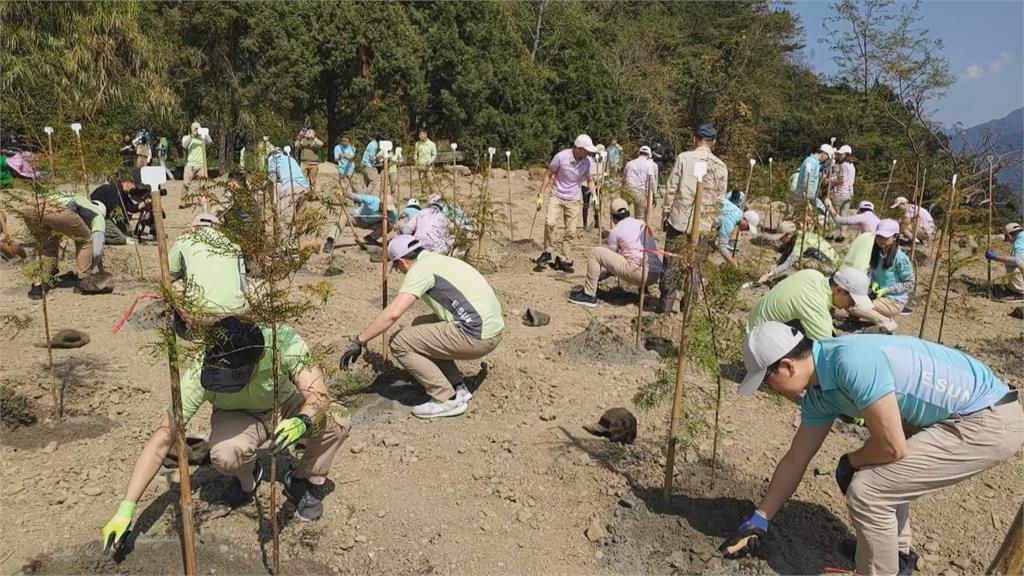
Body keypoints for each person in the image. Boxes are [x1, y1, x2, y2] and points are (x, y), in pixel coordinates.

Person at [724, 321, 1023, 576]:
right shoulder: (820, 389)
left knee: (868, 490)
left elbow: (893, 448)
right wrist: (760, 517)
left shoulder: (850, 362)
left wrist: (851, 461)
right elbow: (795, 459)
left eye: (766, 380)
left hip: (987, 419)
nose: (768, 389)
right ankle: (895, 555)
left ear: (788, 367)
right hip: (954, 415)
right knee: (875, 469)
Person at [100, 317, 348, 551]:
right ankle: (248, 478)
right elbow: (164, 437)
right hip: (237, 416)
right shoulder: (199, 372)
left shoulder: (282, 340)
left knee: (339, 418)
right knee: (225, 454)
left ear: (259, 357)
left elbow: (319, 395)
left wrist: (301, 421)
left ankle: (302, 481)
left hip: (284, 405)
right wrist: (126, 508)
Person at [339, 235, 504, 419]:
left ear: (402, 261)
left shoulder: (420, 270)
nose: (399, 271)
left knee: (399, 342)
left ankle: (447, 398)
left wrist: (360, 340)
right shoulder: (438, 260)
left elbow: (393, 313)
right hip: (491, 329)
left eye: (397, 266)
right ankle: (457, 386)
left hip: (476, 335)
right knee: (421, 325)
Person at [658, 124, 728, 314]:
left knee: (671, 264)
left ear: (694, 139)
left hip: (679, 221)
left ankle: (665, 307)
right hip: (704, 225)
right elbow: (720, 201)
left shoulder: (684, 158)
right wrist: (713, 225)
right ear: (713, 143)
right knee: (695, 266)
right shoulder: (721, 167)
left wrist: (665, 213)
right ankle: (689, 307)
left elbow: (671, 188)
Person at [569, 198, 662, 308]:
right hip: (656, 273)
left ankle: (589, 294)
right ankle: (644, 291)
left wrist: (600, 275)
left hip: (638, 274)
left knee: (596, 252)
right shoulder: (642, 223)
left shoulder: (616, 231)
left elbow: (610, 260)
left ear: (612, 217)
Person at [746, 267, 873, 341]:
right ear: (839, 290)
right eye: (852, 300)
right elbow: (827, 347)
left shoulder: (813, 274)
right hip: (759, 344)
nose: (851, 306)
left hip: (755, 329)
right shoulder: (815, 303)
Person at [23, 190, 106, 299]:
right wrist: (87, 268)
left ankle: (37, 287)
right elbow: (97, 251)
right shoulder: (98, 215)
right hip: (56, 208)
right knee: (84, 239)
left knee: (47, 245)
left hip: (30, 207)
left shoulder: (78, 198)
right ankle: (84, 283)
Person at [535, 134, 598, 273]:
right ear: (578, 148)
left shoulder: (587, 162)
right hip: (556, 195)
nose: (588, 153)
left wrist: (594, 196)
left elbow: (590, 180)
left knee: (571, 231)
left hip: (574, 199)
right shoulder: (561, 157)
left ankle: (562, 259)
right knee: (550, 223)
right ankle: (547, 251)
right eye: (586, 150)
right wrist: (541, 194)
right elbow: (549, 174)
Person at [169, 213, 247, 318]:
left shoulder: (184, 240)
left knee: (174, 285)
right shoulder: (234, 246)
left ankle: (182, 329)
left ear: (194, 228)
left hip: (199, 311)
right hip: (235, 310)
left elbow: (170, 273)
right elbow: (243, 284)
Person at [846, 219, 914, 332]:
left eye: (885, 237)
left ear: (895, 237)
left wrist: (886, 290)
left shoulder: (900, 258)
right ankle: (871, 321)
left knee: (855, 306)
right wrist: (874, 282)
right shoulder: (877, 252)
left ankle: (886, 322)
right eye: (879, 236)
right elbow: (872, 272)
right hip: (878, 296)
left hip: (893, 301)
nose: (881, 240)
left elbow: (910, 283)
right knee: (847, 300)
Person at [757, 221, 839, 284]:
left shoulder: (800, 242)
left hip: (831, 265)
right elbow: (787, 253)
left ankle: (825, 278)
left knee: (799, 262)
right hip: (822, 260)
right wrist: (776, 264)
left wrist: (769, 275)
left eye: (781, 238)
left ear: (788, 235)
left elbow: (789, 262)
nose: (779, 240)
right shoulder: (795, 237)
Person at [266, 147, 310, 235]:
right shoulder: (290, 158)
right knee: (296, 220)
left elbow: (272, 178)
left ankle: (283, 247)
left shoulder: (273, 159)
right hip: (304, 188)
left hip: (291, 189)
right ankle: (294, 246)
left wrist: (274, 198)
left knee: (284, 221)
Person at [90, 172, 141, 246]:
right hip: (100, 214)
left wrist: (141, 206)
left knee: (123, 231)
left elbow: (130, 208)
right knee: (120, 238)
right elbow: (117, 213)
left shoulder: (122, 192)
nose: (132, 190)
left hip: (106, 214)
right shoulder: (115, 190)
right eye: (132, 187)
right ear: (128, 183)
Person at [985, 222, 1024, 299]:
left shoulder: (1018, 243)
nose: (1006, 241)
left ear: (1009, 236)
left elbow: (1017, 261)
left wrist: (995, 257)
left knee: (1011, 264)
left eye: (1006, 237)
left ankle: (1019, 293)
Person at [180, 122, 212, 209]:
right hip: (190, 165)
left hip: (201, 165)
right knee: (186, 184)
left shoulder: (202, 138)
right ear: (191, 129)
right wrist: (192, 136)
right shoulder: (186, 137)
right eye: (195, 128)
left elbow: (210, 141)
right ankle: (183, 200)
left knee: (202, 184)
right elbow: (184, 145)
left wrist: (205, 133)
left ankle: (201, 199)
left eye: (198, 128)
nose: (196, 129)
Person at [718, 199, 759, 266]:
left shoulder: (737, 210)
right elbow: (722, 246)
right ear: (745, 220)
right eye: (748, 227)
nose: (746, 230)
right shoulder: (730, 223)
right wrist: (733, 264)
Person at [623, 145, 658, 220]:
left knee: (624, 212)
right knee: (640, 217)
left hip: (628, 191)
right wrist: (654, 195)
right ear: (649, 156)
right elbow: (652, 181)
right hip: (640, 193)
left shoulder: (629, 163)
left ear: (639, 153)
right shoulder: (649, 165)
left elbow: (624, 176)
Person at [293, 127, 323, 192]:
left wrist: (314, 138)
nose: (308, 133)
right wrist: (299, 137)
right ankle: (302, 193)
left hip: (314, 164)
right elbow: (296, 146)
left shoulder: (316, 140)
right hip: (304, 163)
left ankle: (312, 194)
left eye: (310, 132)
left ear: (314, 133)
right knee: (302, 179)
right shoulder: (303, 140)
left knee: (312, 180)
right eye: (307, 132)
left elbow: (321, 145)